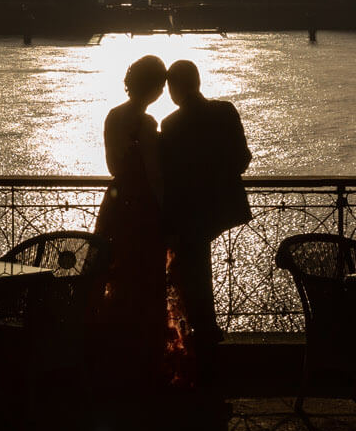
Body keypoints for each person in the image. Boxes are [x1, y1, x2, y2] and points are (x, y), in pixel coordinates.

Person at [159, 59, 253, 383]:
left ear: (173, 89)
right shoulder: (225, 112)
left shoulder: (170, 125)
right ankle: (207, 339)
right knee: (199, 272)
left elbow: (168, 176)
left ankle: (202, 344)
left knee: (193, 275)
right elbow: (242, 159)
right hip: (221, 207)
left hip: (188, 211)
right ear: (198, 82)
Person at [92, 54, 170, 390]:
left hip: (116, 203)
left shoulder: (113, 116)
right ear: (155, 87)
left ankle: (111, 353)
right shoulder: (148, 123)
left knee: (115, 272)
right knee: (146, 279)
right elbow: (154, 175)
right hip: (142, 209)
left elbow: (112, 165)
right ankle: (144, 359)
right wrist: (165, 209)